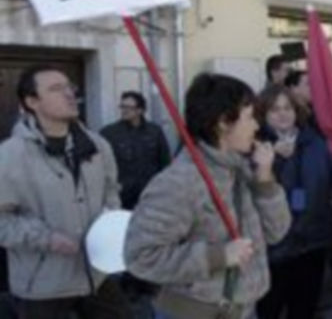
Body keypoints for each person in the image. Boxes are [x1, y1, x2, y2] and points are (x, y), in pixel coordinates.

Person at [124, 74, 292, 319]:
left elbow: (276, 232)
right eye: (249, 117)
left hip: (244, 310)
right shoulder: (179, 181)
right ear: (224, 122)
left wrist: (265, 179)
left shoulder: (240, 169)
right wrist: (218, 255)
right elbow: (140, 257)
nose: (257, 126)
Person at [0, 65, 132, 319]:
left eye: (69, 87)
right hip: (41, 284)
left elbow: (111, 190)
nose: (69, 94)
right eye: (56, 89)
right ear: (31, 102)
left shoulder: (98, 145)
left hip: (96, 275)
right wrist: (46, 239)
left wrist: (110, 222)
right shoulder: (9, 155)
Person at [254, 85, 332, 319]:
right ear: (263, 114)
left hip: (312, 241)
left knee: (305, 309)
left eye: (288, 108)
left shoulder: (316, 143)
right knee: (270, 310)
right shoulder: (255, 147)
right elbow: (252, 190)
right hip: (274, 248)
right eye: (274, 109)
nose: (283, 114)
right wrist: (273, 161)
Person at [100, 91, 171, 210]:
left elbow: (165, 162)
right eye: (122, 106)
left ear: (140, 110)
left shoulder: (154, 132)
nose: (124, 110)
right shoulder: (109, 133)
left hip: (150, 193)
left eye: (129, 107)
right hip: (124, 196)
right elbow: (103, 166)